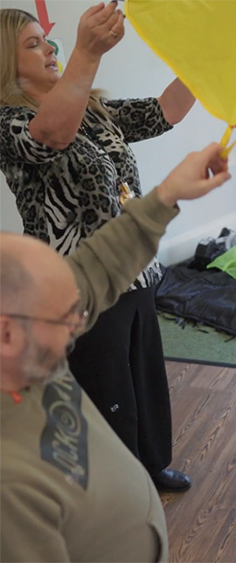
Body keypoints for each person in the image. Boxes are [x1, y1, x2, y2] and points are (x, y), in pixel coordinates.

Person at [0, 4, 199, 491]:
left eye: (48, 41)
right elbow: (50, 135)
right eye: (33, 44)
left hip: (132, 269)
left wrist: (207, 61)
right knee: (106, 390)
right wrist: (86, 52)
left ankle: (150, 467)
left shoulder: (91, 106)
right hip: (77, 286)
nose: (49, 49)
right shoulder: (8, 123)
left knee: (142, 375)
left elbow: (164, 112)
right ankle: (119, 492)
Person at [0, 143, 231, 562]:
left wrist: (167, 195)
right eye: (66, 316)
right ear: (7, 334)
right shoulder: (8, 490)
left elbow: (94, 268)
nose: (79, 322)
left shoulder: (26, 355)